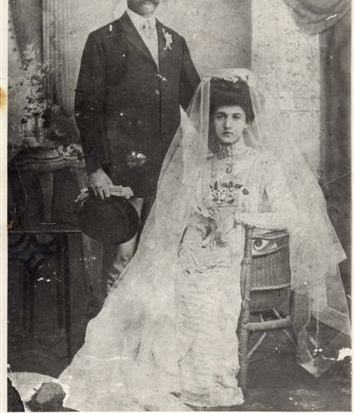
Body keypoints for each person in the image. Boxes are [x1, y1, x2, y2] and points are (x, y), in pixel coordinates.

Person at [10, 69, 350, 411]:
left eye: (236, 117)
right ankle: (153, 378)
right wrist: (198, 233)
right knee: (149, 295)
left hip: (246, 255)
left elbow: (288, 217)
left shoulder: (265, 165)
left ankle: (199, 387)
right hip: (198, 253)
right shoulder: (203, 168)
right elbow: (190, 217)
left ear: (248, 122)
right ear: (211, 121)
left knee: (199, 297)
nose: (227, 125)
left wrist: (241, 219)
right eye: (220, 117)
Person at [75, 0, 200, 296]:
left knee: (161, 257)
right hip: (122, 172)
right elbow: (87, 109)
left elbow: (198, 101)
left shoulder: (175, 41)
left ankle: (148, 343)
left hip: (168, 171)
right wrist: (96, 169)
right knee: (122, 257)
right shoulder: (103, 40)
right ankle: (109, 341)